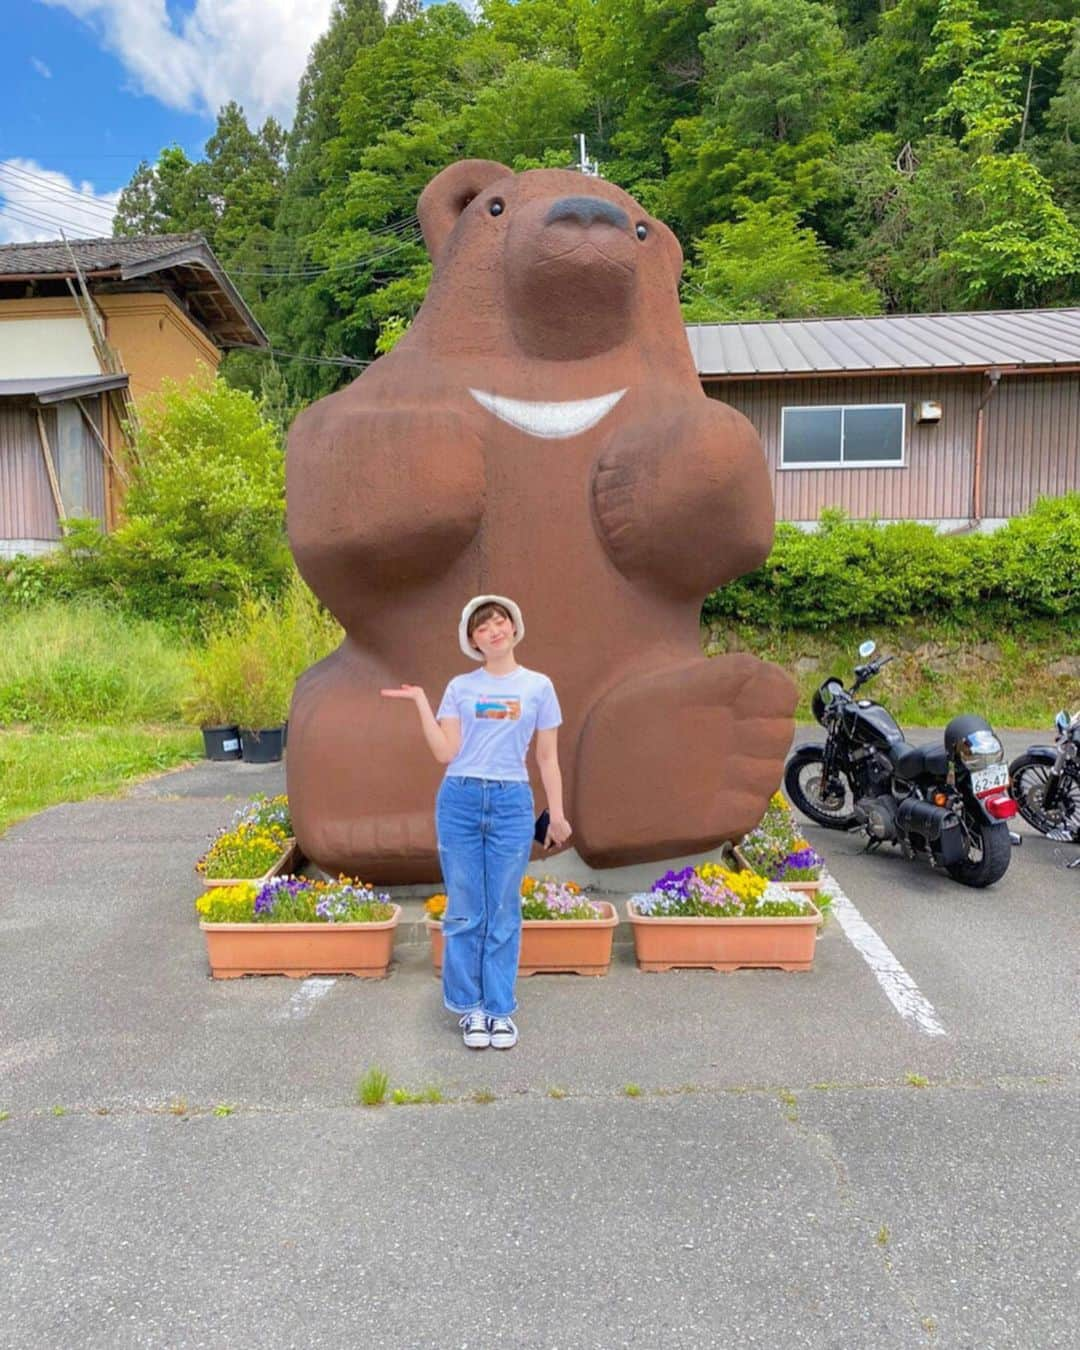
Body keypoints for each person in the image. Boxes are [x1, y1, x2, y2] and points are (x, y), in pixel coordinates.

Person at [380, 596, 572, 1050]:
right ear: (472, 640)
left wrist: (558, 814)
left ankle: (499, 1009)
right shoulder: (460, 688)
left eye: (500, 621)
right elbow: (445, 752)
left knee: (504, 908)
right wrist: (422, 704)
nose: (493, 630)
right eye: (482, 626)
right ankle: (470, 1009)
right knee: (465, 910)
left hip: (511, 803)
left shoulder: (539, 687)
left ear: (514, 628)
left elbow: (547, 758)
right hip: (461, 800)